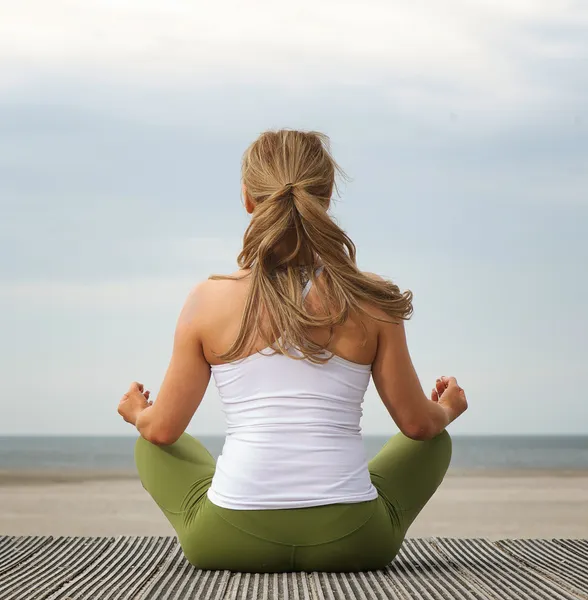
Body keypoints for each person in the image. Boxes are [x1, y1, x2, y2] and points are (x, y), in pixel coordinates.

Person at [117, 129, 468, 573]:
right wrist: (447, 409)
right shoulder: (371, 299)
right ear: (327, 195)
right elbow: (418, 424)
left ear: (247, 198)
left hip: (227, 540)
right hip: (354, 541)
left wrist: (136, 413)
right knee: (433, 443)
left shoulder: (206, 300)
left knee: (152, 446)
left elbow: (163, 430)